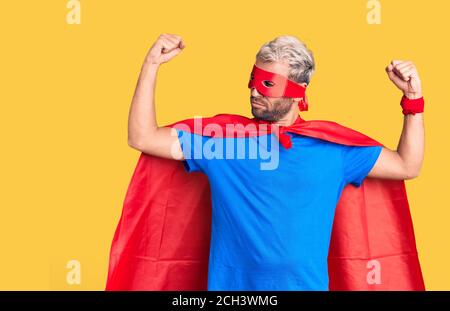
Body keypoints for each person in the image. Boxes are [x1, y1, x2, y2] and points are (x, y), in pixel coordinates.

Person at [122, 33, 425, 290]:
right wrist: (151, 65)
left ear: (298, 93)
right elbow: (143, 137)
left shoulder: (334, 148)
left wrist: (413, 100)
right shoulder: (224, 143)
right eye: (253, 79)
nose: (254, 90)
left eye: (268, 84)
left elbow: (406, 166)